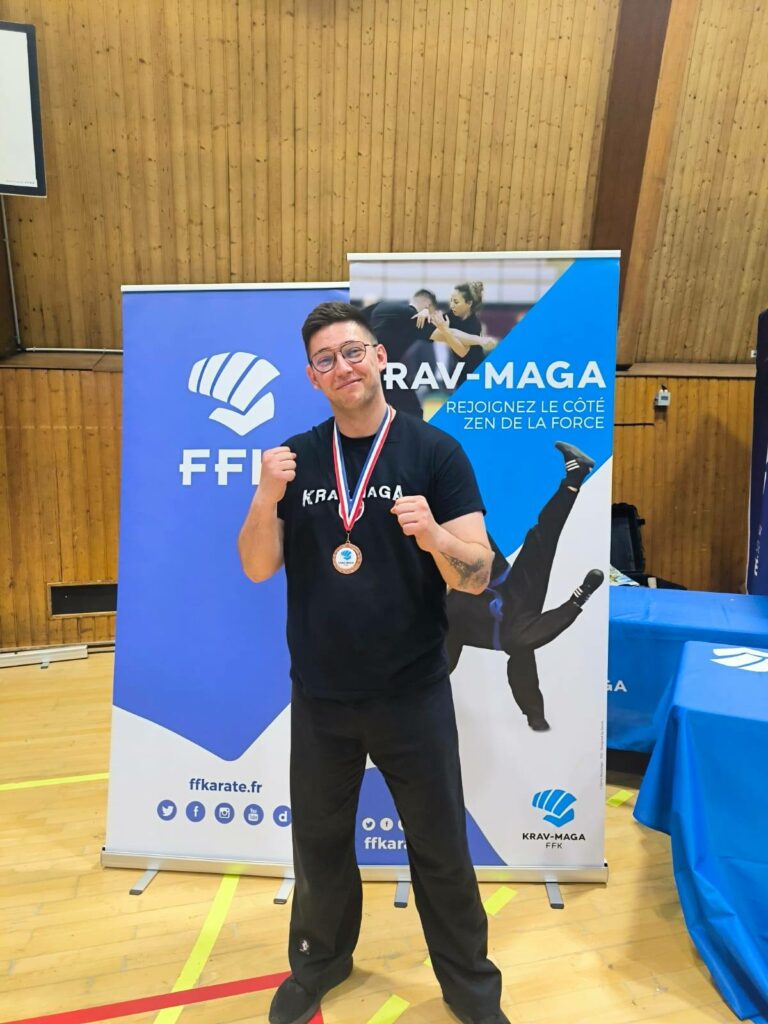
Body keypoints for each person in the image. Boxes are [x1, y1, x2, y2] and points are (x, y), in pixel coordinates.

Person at [238, 301, 510, 1024]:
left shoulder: (434, 452)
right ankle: (319, 963)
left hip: (411, 693)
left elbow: (478, 573)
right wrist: (265, 495)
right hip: (322, 697)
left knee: (440, 848)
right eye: (325, 359)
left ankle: (471, 988)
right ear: (312, 376)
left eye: (353, 351)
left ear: (380, 357)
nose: (343, 367)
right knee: (320, 845)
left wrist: (436, 540)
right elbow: (257, 566)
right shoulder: (294, 459)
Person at [446, 441, 604, 730]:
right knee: (541, 540)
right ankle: (575, 476)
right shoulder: (518, 636)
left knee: (459, 528)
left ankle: (439, 489)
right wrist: (578, 599)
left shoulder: (451, 628)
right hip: (514, 604)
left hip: (485, 583)